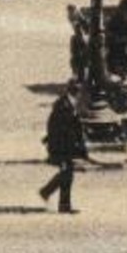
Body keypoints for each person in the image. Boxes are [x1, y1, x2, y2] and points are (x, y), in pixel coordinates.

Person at [39, 81, 88, 214]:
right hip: (62, 146)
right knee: (67, 174)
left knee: (67, 174)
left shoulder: (67, 104)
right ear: (76, 92)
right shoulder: (64, 105)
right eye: (79, 91)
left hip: (64, 145)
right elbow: (62, 129)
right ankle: (55, 199)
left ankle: (51, 196)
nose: (81, 95)